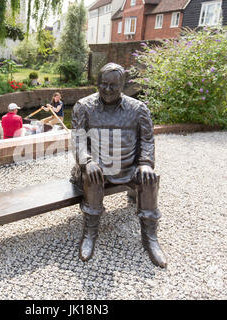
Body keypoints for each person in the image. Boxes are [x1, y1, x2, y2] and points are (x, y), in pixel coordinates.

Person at [70, 63, 167, 268]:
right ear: (97, 83)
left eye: (113, 85)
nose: (107, 89)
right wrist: (87, 162)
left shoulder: (138, 109)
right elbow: (78, 141)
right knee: (93, 176)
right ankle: (90, 233)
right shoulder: (83, 107)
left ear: (123, 85)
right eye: (103, 84)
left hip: (128, 166)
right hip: (95, 167)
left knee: (150, 178)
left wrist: (146, 163)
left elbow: (147, 140)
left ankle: (150, 237)